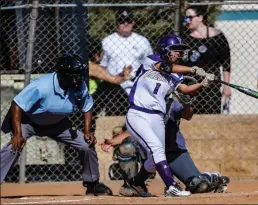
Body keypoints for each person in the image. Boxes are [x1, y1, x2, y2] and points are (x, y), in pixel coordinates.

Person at [111, 33, 215, 197]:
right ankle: (172, 187)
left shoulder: (176, 75)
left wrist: (203, 83)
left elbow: (186, 90)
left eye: (180, 50)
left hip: (157, 117)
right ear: (165, 50)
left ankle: (136, 184)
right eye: (175, 50)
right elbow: (165, 68)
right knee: (157, 148)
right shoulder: (151, 60)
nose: (179, 53)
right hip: (139, 113)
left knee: (153, 160)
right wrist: (193, 69)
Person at [0, 54, 112, 196]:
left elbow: (87, 107)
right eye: (74, 75)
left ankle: (93, 184)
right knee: (13, 147)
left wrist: (88, 131)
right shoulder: (42, 86)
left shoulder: (78, 85)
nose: (78, 78)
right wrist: (17, 134)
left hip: (58, 123)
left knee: (85, 144)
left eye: (79, 74)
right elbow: (17, 105)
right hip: (30, 121)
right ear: (63, 75)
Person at [100, 76, 230, 196]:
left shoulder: (172, 104)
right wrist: (113, 141)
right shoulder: (143, 104)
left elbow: (188, 115)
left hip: (173, 152)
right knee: (127, 147)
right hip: (149, 150)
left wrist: (186, 102)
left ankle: (211, 178)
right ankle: (133, 186)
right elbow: (136, 130)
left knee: (199, 186)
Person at [98, 7, 153, 115]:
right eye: (122, 21)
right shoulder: (107, 41)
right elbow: (102, 66)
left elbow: (151, 63)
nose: (125, 23)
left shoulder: (142, 41)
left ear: (133, 23)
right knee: (114, 121)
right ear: (116, 23)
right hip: (114, 90)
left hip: (137, 87)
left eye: (128, 20)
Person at [182, 5, 231, 114]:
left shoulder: (218, 37)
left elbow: (226, 63)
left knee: (212, 121)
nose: (187, 21)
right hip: (192, 88)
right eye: (186, 18)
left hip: (211, 88)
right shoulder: (186, 40)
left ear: (200, 17)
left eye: (190, 17)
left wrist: (226, 86)